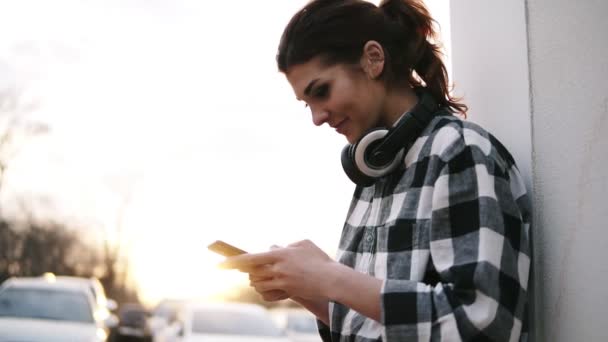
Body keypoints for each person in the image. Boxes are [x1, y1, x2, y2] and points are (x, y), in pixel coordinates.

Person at [220, 0, 531, 341]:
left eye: (321, 91)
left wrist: (328, 276)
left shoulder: (459, 153)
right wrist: (307, 288)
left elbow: (481, 324)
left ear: (373, 58)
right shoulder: (372, 174)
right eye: (308, 104)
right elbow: (378, 324)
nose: (317, 117)